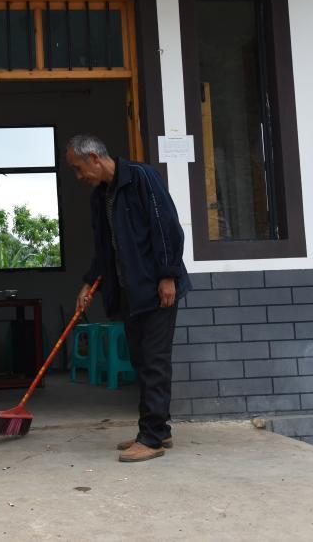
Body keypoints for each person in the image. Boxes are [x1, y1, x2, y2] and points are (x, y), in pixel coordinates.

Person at [65, 133, 191, 463]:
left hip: (158, 288)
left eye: (78, 168)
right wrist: (88, 283)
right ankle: (159, 429)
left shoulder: (141, 177)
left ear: (94, 158)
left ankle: (151, 438)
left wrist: (168, 275)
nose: (79, 176)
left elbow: (167, 227)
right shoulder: (100, 197)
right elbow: (104, 249)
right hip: (130, 291)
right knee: (140, 360)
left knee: (154, 361)